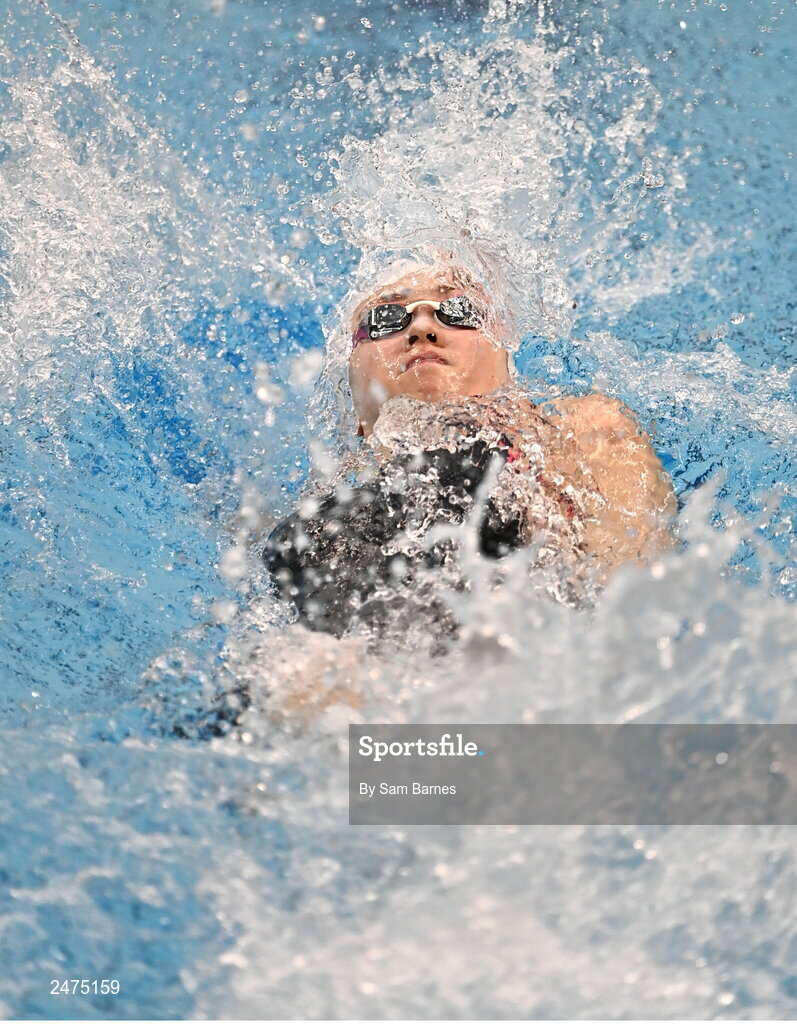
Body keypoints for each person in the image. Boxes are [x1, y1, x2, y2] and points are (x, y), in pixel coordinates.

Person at [263, 260, 677, 646]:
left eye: (459, 309)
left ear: (503, 353)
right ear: (355, 411)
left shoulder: (582, 431)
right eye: (385, 318)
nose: (423, 328)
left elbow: (629, 592)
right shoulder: (319, 524)